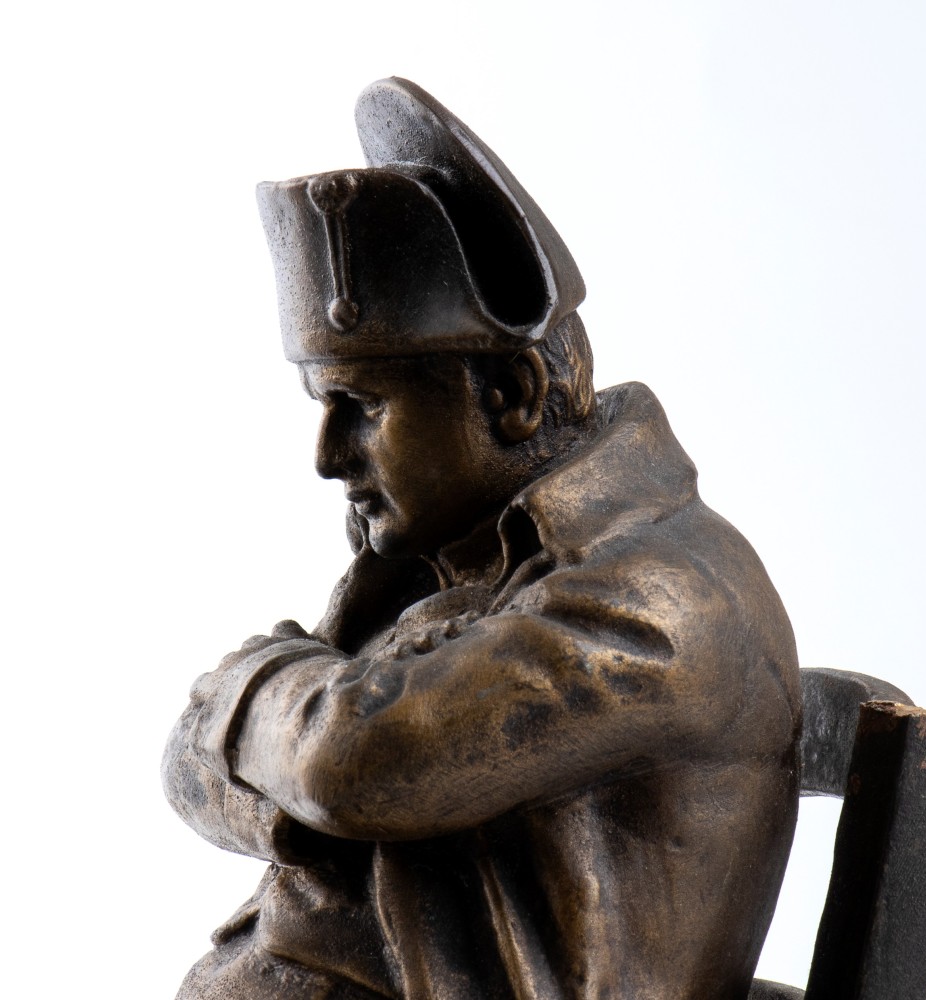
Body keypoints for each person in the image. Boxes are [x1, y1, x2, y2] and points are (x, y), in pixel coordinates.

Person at [163, 78, 801, 1000]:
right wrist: (304, 771)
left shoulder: (662, 597)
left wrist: (255, 698)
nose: (327, 457)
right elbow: (192, 767)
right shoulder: (430, 566)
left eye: (362, 406)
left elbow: (355, 761)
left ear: (512, 396)